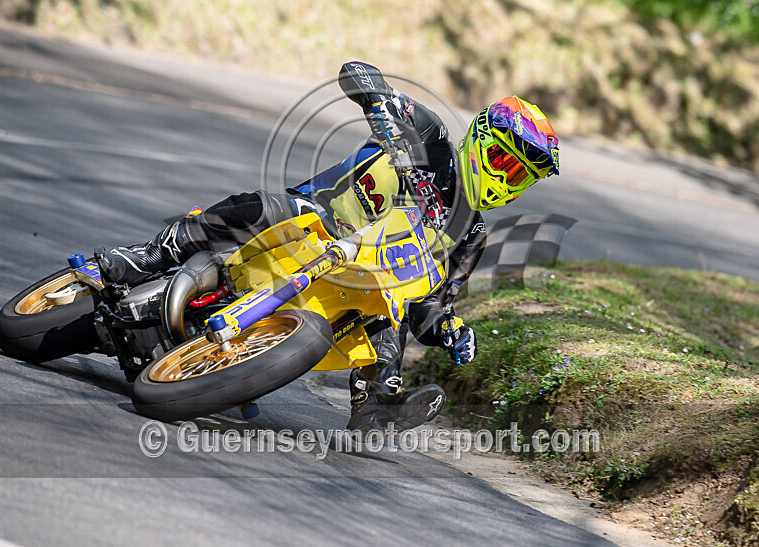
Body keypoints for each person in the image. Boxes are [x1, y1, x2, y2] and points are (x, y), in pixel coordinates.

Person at [96, 61, 560, 432]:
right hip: (314, 222)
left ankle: (376, 400)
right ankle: (148, 257)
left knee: (395, 307)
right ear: (480, 138)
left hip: (359, 278)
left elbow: (431, 306)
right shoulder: (432, 139)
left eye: (523, 176)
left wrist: (450, 331)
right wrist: (376, 99)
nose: (509, 179)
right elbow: (359, 73)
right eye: (505, 161)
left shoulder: (472, 236)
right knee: (259, 207)